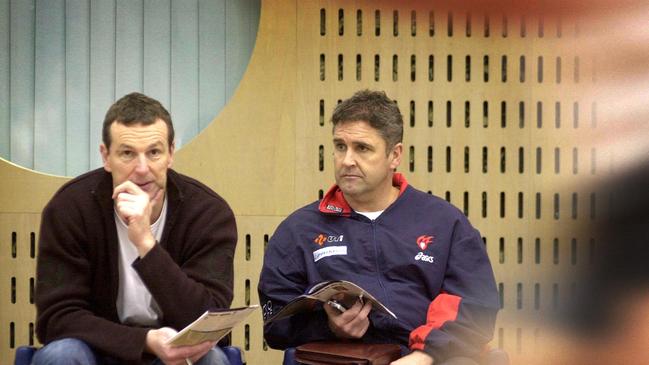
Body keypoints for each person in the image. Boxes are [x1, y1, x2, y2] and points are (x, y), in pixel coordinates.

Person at [258, 90, 499, 365]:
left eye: (362, 148)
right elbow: (275, 324)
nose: (347, 160)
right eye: (340, 146)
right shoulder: (299, 230)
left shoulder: (444, 221)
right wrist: (329, 327)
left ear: (394, 155)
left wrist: (426, 354)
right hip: (337, 359)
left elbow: (475, 306)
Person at [34, 92, 237, 365]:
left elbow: (207, 320)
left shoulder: (208, 213)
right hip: (97, 349)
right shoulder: (70, 208)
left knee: (211, 360)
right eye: (127, 153)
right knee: (61, 355)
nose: (142, 169)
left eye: (154, 152)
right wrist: (144, 342)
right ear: (106, 157)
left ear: (171, 154)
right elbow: (56, 319)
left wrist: (146, 244)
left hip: (175, 353)